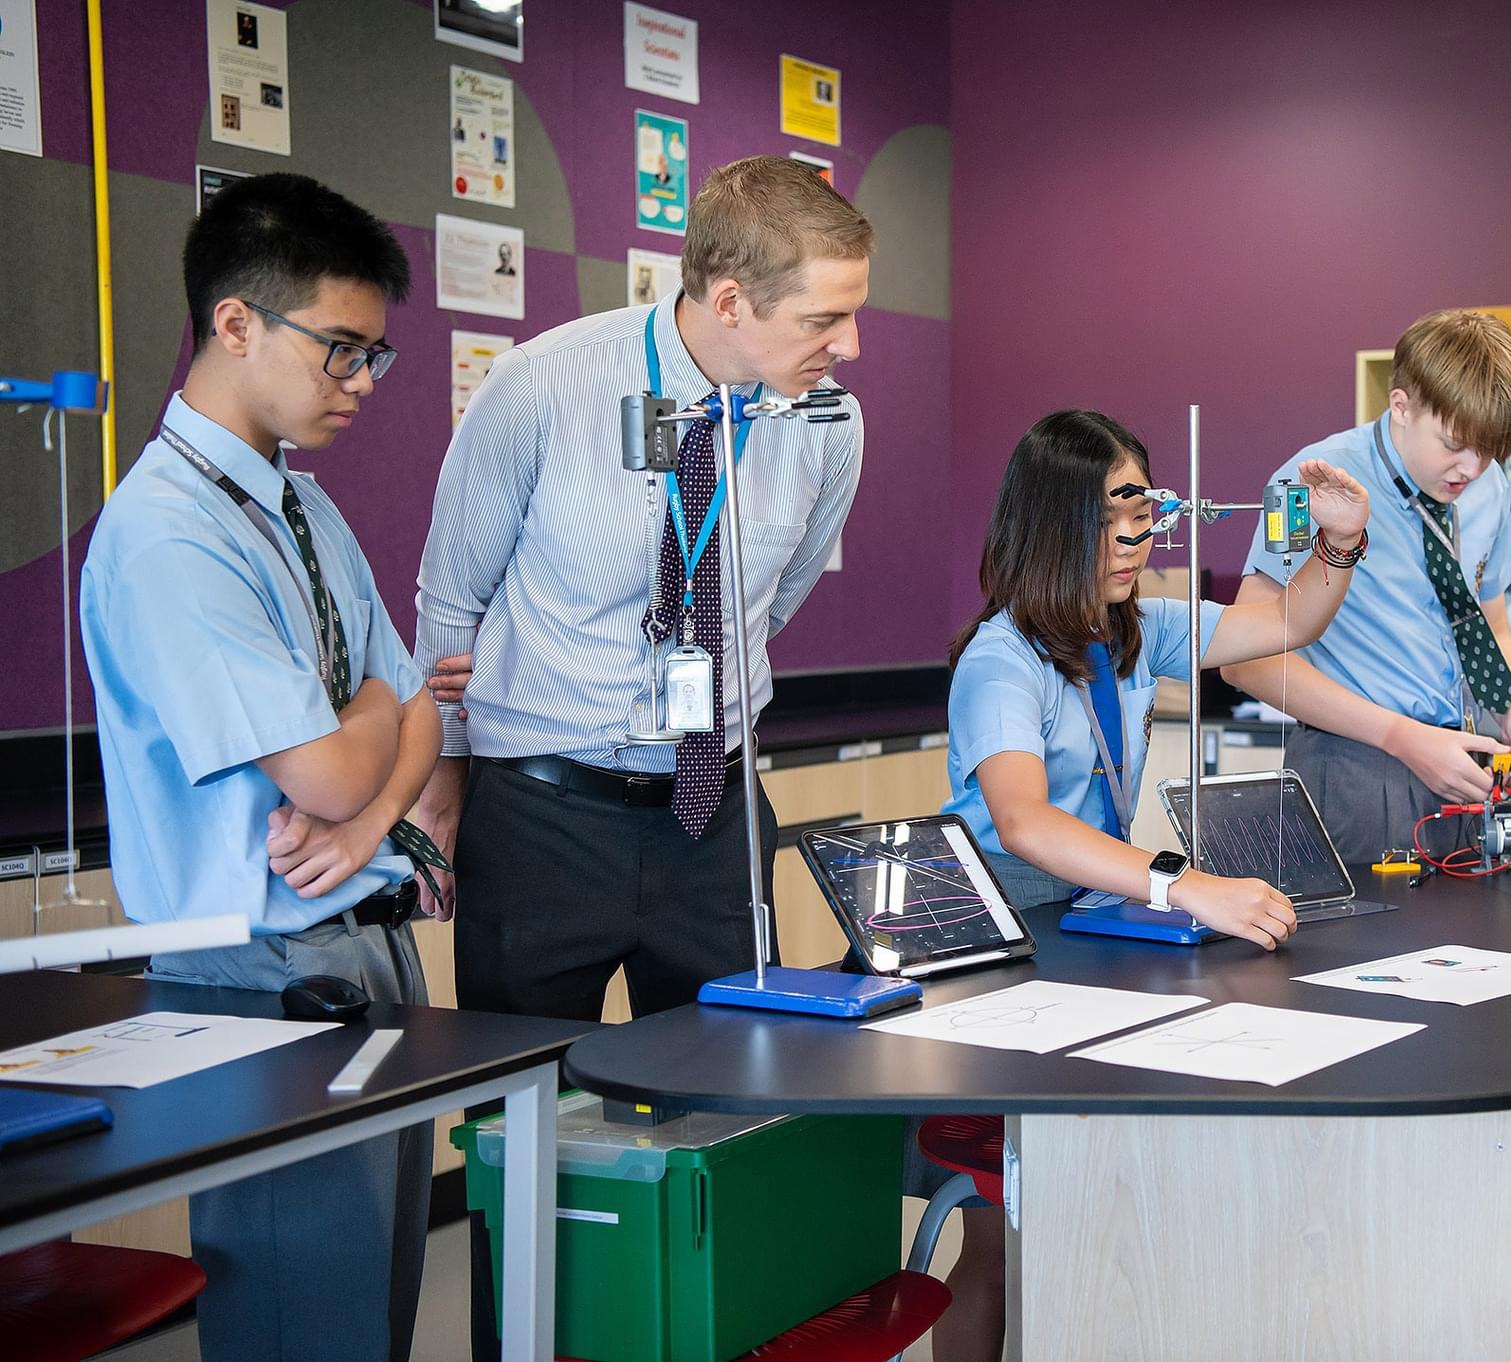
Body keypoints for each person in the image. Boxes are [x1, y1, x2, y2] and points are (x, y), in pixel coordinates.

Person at [413, 159, 866, 1356]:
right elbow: (449, 598)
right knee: (522, 1125)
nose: (851, 344)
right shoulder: (543, 389)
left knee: (732, 1105)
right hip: (543, 808)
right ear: (728, 301)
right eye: (825, 315)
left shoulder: (826, 422)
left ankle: (713, 1330)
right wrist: (444, 777)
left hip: (712, 810)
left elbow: (781, 589)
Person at [79, 172, 442, 1362]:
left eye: (373, 357)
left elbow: (413, 725)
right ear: (235, 323)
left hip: (358, 927)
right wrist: (374, 742)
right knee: (306, 1314)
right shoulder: (168, 531)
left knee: (374, 1302)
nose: (360, 387)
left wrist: (371, 800)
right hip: (260, 965)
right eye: (340, 351)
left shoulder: (296, 504)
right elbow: (350, 752)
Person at [931, 408, 1365, 1358]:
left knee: (1091, 1209)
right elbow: (1025, 822)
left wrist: (1338, 543)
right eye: (1115, 519)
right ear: (1053, 524)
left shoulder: (1131, 631)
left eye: (1142, 516)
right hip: (994, 952)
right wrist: (1183, 883)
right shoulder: (1001, 659)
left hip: (1079, 931)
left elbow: (1281, 623)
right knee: (1000, 1242)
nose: (1136, 540)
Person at [1220, 309, 1511, 866]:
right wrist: (1404, 739)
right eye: (1453, 444)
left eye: (1489, 451)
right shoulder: (1309, 481)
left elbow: (1492, 626)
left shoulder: (1488, 485)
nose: (1471, 468)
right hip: (1352, 768)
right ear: (1401, 406)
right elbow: (1245, 660)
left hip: (1462, 769)